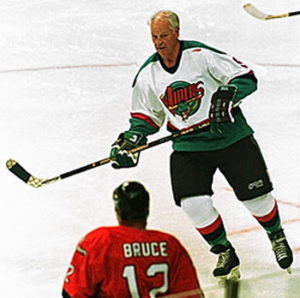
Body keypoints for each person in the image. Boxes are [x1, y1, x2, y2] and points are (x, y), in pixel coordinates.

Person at [109, 10, 293, 281]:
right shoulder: (148, 74)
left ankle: (276, 234)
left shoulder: (200, 55)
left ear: (176, 33)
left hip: (231, 136)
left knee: (256, 199)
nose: (159, 42)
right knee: (193, 203)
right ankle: (224, 250)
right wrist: (133, 138)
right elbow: (145, 118)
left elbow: (245, 77)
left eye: (164, 36)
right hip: (188, 145)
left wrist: (229, 93)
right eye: (154, 37)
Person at [62, 181, 204, 297]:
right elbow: (189, 294)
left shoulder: (99, 241)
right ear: (146, 210)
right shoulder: (170, 245)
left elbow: (73, 293)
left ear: (118, 211)